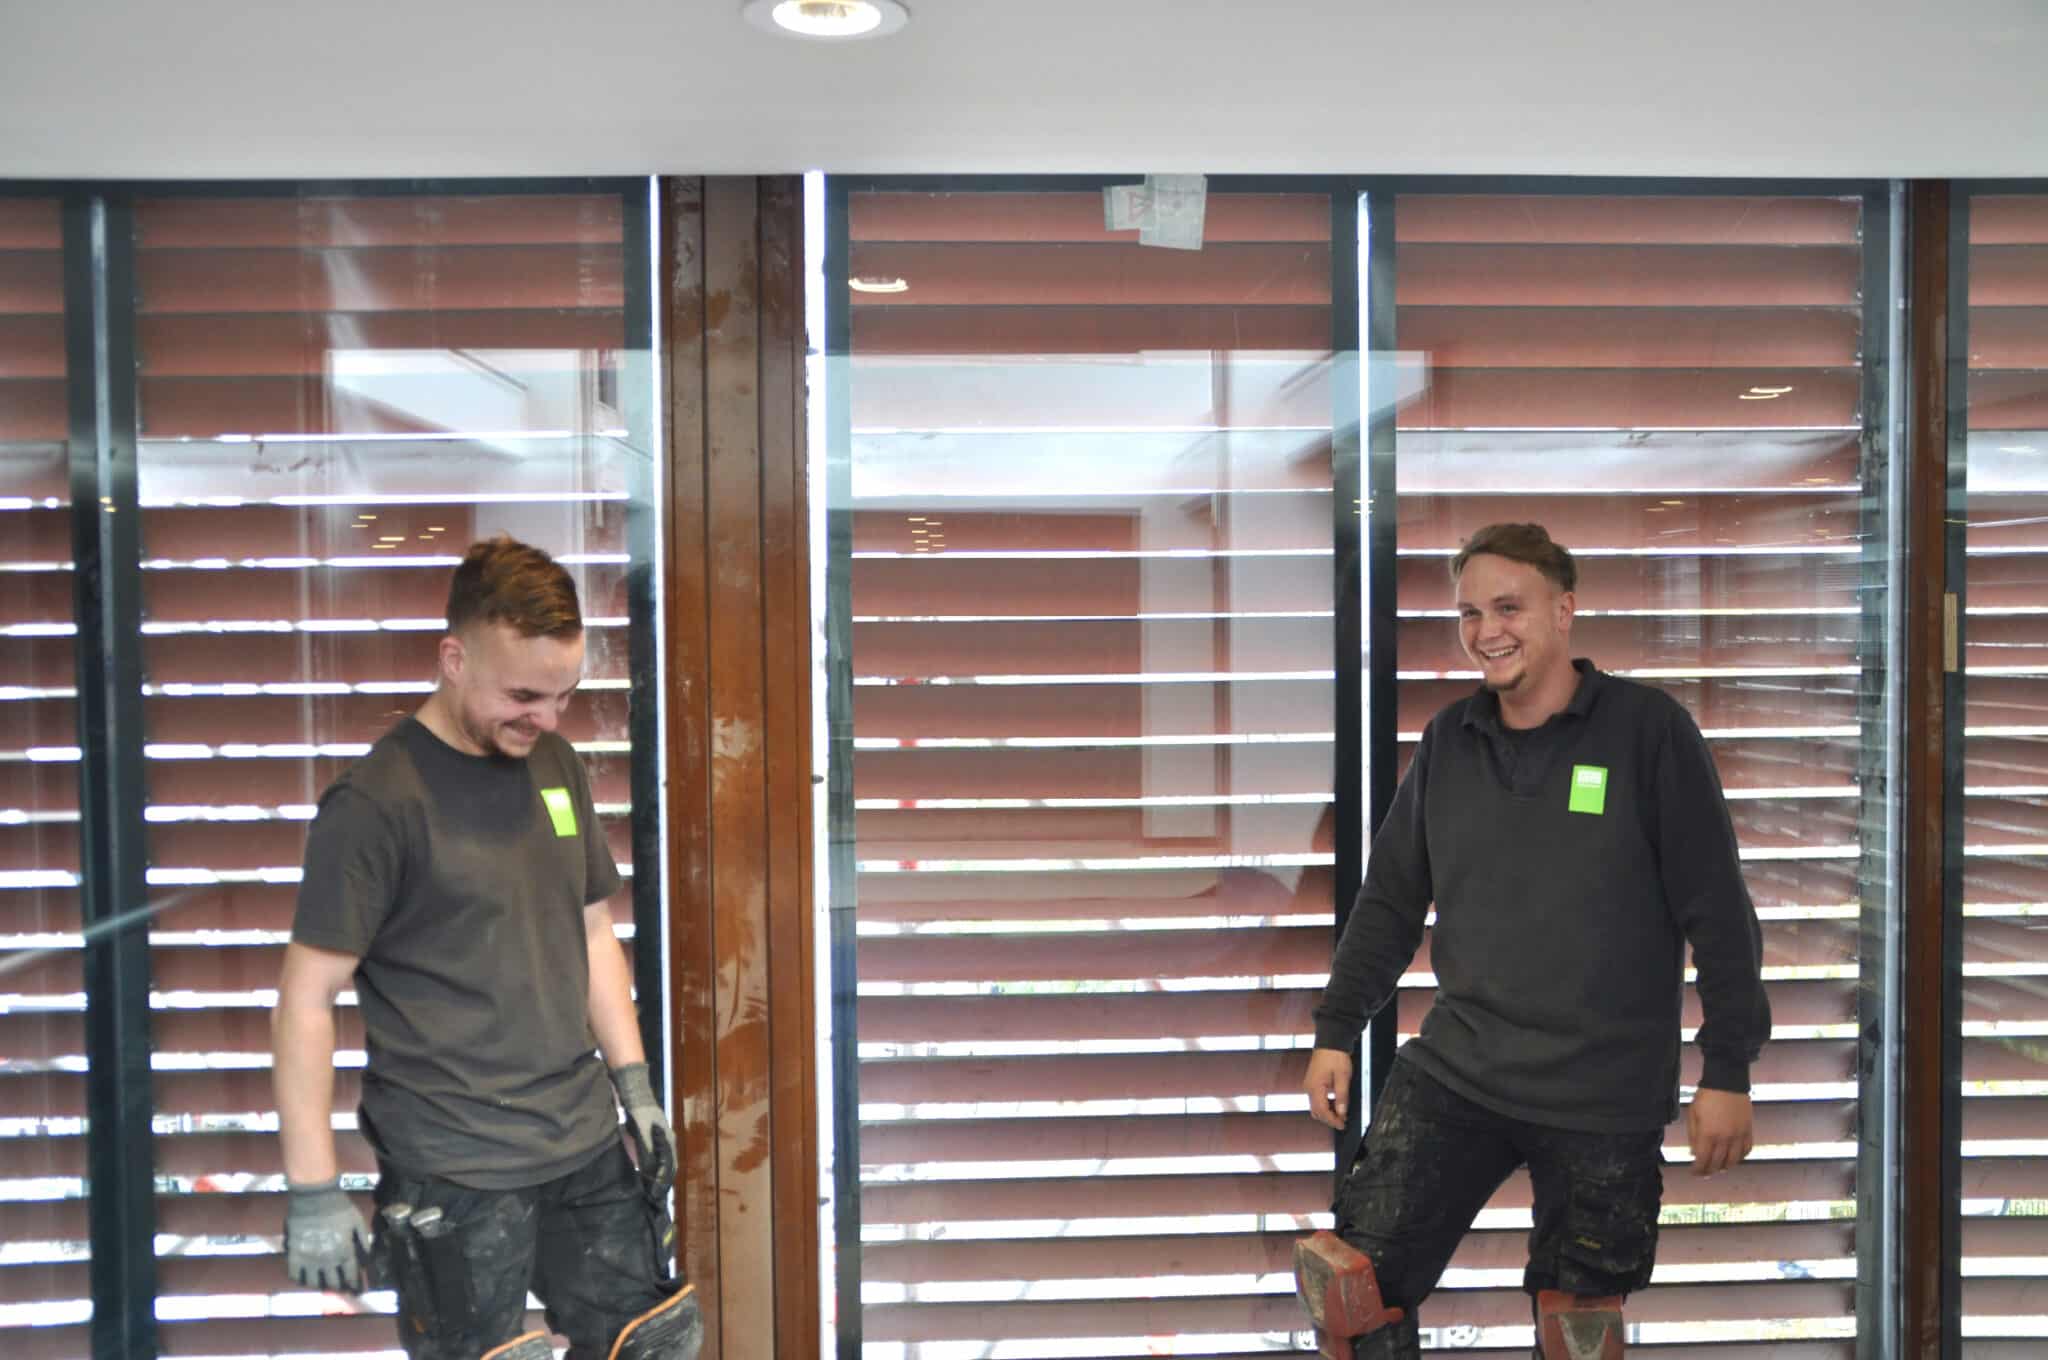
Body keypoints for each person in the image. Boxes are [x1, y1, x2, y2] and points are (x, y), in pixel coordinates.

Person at [1293, 523, 1771, 1360]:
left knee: (1578, 1328)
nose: (1486, 631)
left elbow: (1719, 915)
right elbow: (1390, 903)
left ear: (1563, 610)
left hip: (1605, 1093)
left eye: (1507, 607)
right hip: (1462, 1069)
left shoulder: (1649, 733)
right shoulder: (1450, 742)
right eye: (1469, 613)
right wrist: (1338, 1029)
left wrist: (1728, 1069)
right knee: (1350, 1289)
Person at [270, 536, 701, 1360]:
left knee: (654, 1344)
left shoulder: (554, 766)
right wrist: (314, 1188)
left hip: (580, 1143)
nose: (548, 719)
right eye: (524, 695)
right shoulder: (375, 806)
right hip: (454, 1170)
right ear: (454, 659)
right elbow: (306, 999)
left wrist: (636, 1087)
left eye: (564, 696)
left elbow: (590, 930)